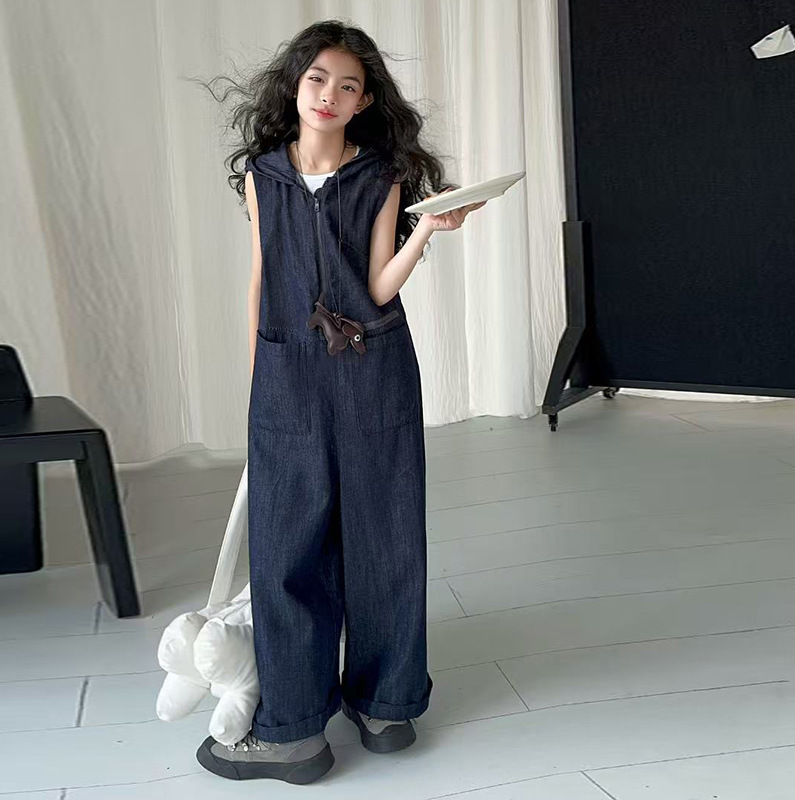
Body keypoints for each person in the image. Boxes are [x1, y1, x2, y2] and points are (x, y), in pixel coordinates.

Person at [195, 19, 485, 785]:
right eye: (318, 78)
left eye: (348, 85)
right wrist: (259, 377)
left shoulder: (381, 176)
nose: (330, 94)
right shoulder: (263, 175)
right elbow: (261, 276)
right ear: (295, 84)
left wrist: (426, 232)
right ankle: (293, 726)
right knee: (286, 546)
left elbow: (379, 284)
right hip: (286, 372)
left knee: (386, 533)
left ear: (364, 103)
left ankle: (386, 702)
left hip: (374, 367)